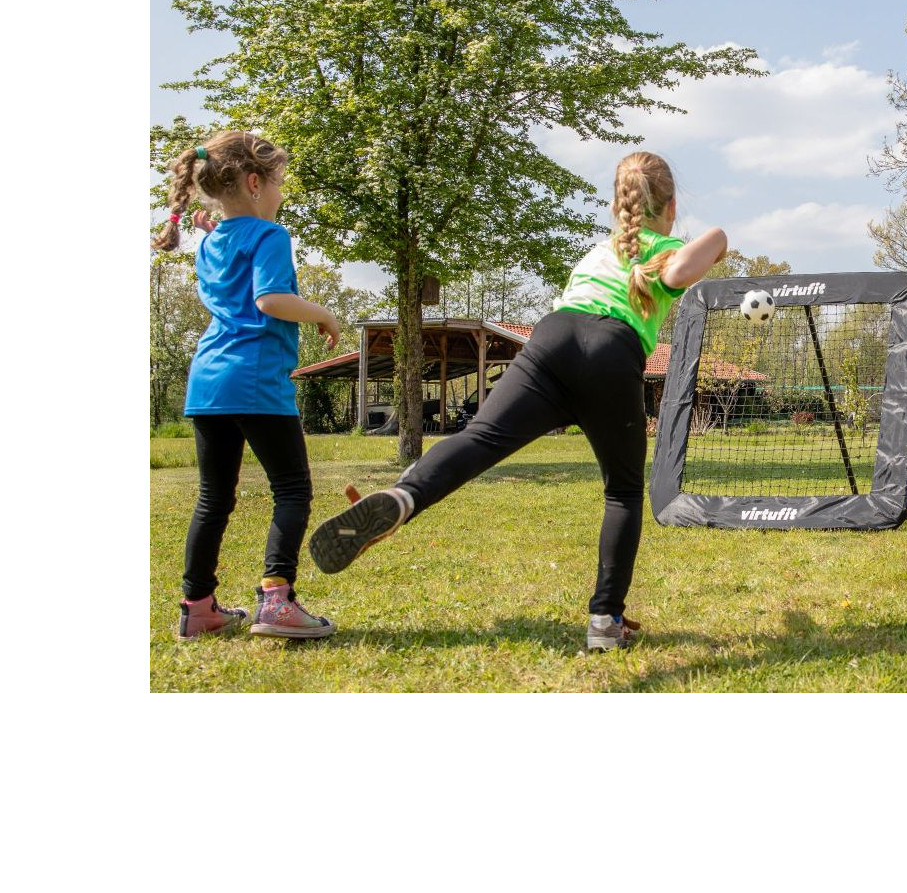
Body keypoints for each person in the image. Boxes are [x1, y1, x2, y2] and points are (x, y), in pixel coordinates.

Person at [308, 151, 727, 651]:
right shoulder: (664, 247)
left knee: (480, 437)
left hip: (552, 339)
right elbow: (679, 275)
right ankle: (604, 621)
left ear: (620, 204)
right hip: (612, 352)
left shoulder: (600, 252)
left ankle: (405, 496)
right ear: (670, 206)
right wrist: (719, 237)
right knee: (622, 492)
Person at [153, 132, 340, 640]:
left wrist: (214, 227)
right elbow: (269, 300)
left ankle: (197, 608)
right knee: (292, 489)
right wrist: (322, 313)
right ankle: (276, 602)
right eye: (278, 182)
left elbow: (235, 271)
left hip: (208, 382)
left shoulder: (211, 242)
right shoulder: (270, 236)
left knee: (213, 499)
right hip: (254, 379)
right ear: (255, 183)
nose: (281, 192)